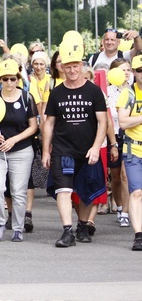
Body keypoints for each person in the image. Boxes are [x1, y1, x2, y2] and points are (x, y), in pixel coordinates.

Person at [42, 42, 107, 247]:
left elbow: (103, 122)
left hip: (87, 150)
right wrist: (46, 150)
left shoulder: (94, 92)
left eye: (75, 66)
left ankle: (82, 224)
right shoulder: (57, 93)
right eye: (67, 66)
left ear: (81, 66)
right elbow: (49, 123)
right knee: (64, 190)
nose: (71, 70)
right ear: (62, 67)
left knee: (86, 190)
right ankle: (67, 231)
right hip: (63, 150)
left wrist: (96, 147)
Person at [0, 59, 38, 242]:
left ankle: (18, 228)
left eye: (13, 79)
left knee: (18, 191)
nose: (9, 83)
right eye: (5, 79)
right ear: (0, 80)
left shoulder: (26, 97)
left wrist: (15, 139)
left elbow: (33, 126)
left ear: (18, 79)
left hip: (21, 150)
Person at [117, 55, 142, 250]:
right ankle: (138, 235)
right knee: (137, 193)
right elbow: (123, 122)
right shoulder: (128, 94)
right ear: (133, 72)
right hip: (133, 149)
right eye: (139, 70)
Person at [107, 58, 130, 227]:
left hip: (131, 136)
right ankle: (119, 204)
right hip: (114, 136)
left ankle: (126, 212)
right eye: (122, 70)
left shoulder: (133, 91)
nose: (126, 73)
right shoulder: (107, 92)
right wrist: (113, 143)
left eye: (128, 69)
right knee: (115, 177)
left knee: (125, 176)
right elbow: (108, 119)